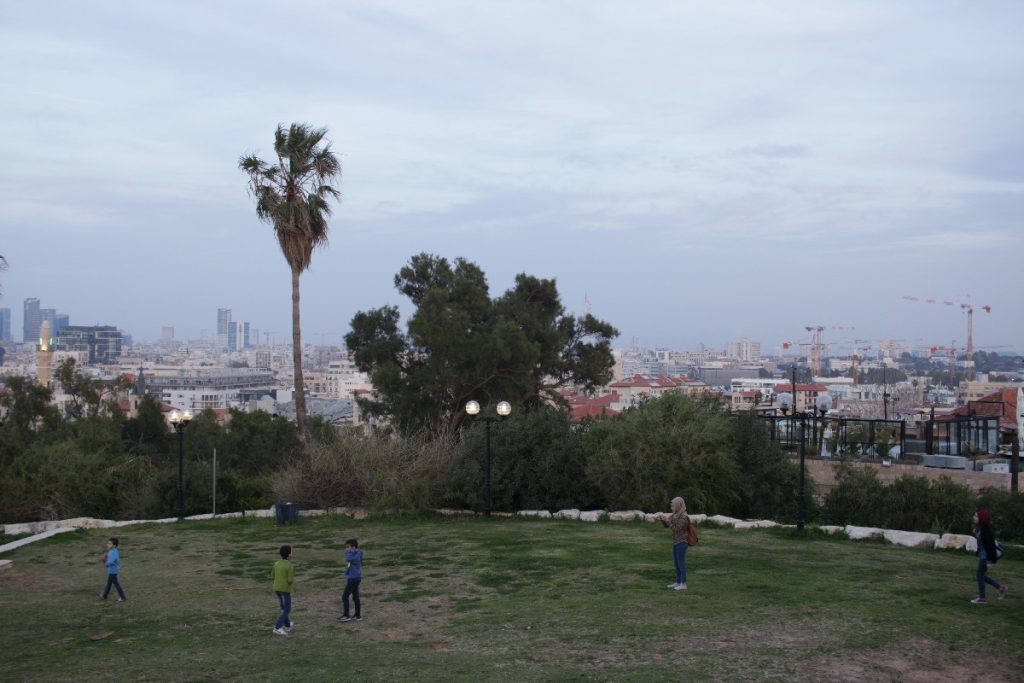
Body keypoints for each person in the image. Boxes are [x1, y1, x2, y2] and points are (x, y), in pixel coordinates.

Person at [971, 509, 1007, 605]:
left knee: (980, 575)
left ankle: (982, 598)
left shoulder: (986, 530)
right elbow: (981, 543)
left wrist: (991, 561)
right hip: (983, 555)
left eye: (976, 516)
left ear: (982, 518)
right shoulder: (981, 528)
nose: (974, 517)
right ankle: (1001, 588)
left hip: (986, 557)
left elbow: (991, 547)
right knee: (981, 575)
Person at [660, 497, 691, 591]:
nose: (671, 507)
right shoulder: (675, 515)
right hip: (675, 542)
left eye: (673, 505)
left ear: (678, 505)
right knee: (676, 563)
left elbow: (676, 528)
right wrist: (664, 521)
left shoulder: (684, 516)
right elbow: (668, 526)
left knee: (681, 563)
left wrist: (668, 522)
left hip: (682, 542)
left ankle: (683, 583)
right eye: (671, 505)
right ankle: (678, 582)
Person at [337, 539, 363, 622]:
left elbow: (348, 558)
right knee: (355, 597)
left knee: (345, 596)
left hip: (353, 579)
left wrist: (349, 552)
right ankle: (357, 615)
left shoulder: (353, 556)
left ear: (353, 547)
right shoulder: (357, 554)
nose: (346, 549)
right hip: (356, 577)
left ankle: (346, 615)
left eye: (348, 547)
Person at [272, 545, 295, 635]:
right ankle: (277, 627)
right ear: (289, 555)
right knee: (287, 609)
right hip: (285, 590)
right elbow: (290, 580)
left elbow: (272, 576)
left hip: (276, 589)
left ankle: (288, 625)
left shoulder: (276, 563)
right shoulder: (289, 566)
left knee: (283, 607)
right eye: (291, 552)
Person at [98, 537, 127, 602]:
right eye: (108, 543)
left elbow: (111, 561)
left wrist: (105, 562)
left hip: (113, 570)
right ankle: (104, 595)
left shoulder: (112, 552)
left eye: (110, 544)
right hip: (113, 570)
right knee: (109, 583)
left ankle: (122, 597)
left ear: (114, 545)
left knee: (116, 584)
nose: (108, 545)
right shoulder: (113, 550)